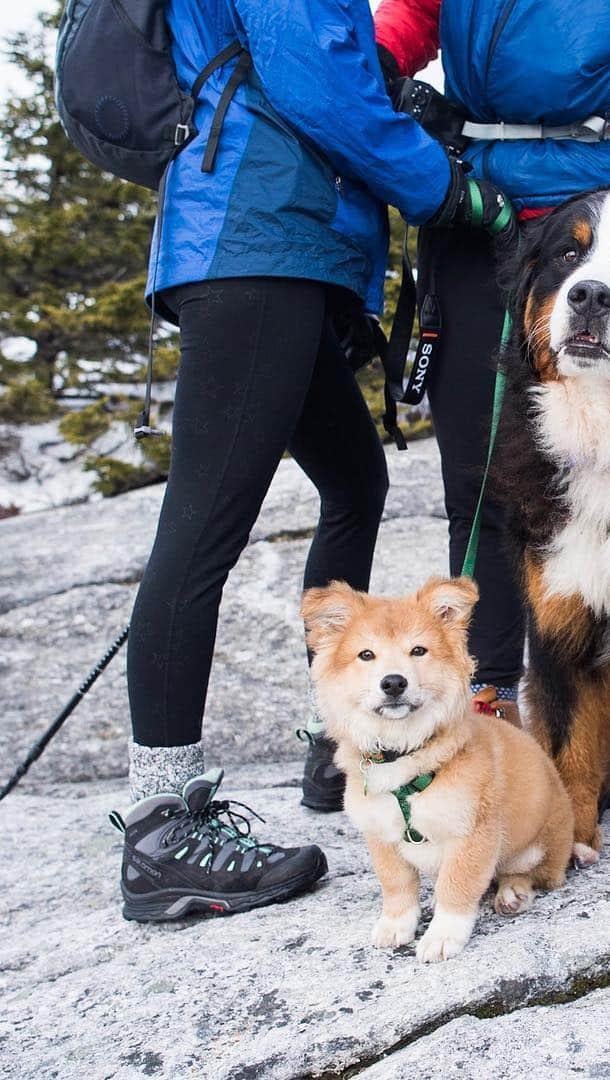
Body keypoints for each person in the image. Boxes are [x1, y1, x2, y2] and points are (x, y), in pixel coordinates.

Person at [297, 0, 610, 813]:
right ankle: (481, 704)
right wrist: (362, 81)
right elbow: (394, 30)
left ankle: (584, 730)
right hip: (479, 215)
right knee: (480, 483)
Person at [113, 0, 510, 922]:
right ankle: (162, 828)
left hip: (284, 244)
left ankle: (339, 728)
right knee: (202, 530)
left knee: (355, 478)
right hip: (258, 246)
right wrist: (448, 188)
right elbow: (319, 86)